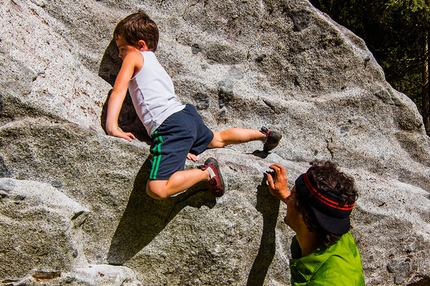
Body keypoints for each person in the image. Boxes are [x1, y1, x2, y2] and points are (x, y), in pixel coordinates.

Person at [105, 11, 282, 200]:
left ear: (140, 45)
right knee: (219, 138)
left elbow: (119, 90)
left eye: (122, 48)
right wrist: (183, 146)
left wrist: (112, 127)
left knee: (157, 189)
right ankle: (264, 135)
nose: (120, 54)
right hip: (186, 115)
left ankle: (208, 172)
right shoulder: (157, 66)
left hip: (170, 126)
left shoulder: (134, 57)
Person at [266, 161, 365, 285]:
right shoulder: (338, 234)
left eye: (293, 194)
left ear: (305, 215)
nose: (289, 197)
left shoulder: (329, 282)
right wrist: (284, 194)